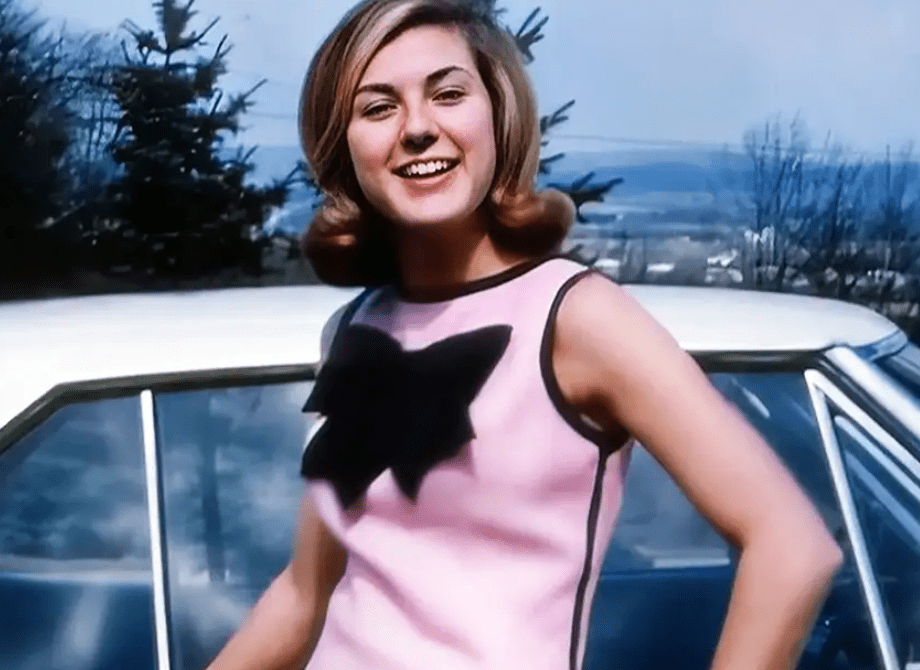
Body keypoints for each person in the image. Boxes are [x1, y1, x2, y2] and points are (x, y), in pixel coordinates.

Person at [206, 0, 843, 669]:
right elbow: (303, 593)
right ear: (342, 149)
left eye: (448, 95)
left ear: (499, 117)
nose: (418, 128)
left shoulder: (575, 317)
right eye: (379, 107)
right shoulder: (354, 328)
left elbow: (792, 545)